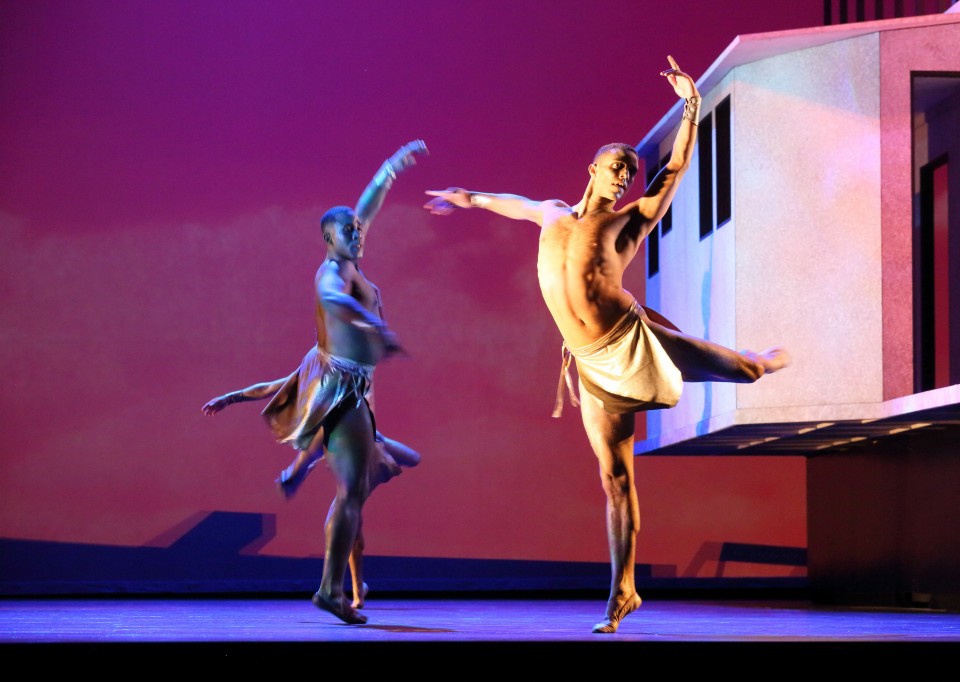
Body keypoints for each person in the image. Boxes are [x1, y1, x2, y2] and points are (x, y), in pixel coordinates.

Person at [423, 57, 790, 634]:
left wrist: (692, 108)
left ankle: (768, 357)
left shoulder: (630, 221)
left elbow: (673, 170)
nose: (624, 176)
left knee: (744, 372)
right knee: (615, 479)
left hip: (632, 342)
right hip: (593, 365)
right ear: (592, 168)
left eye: (628, 172)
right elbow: (503, 200)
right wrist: (463, 196)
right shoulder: (550, 216)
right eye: (617, 167)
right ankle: (624, 592)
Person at [209, 139, 427, 624]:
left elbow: (366, 207)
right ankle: (332, 589)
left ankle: (338, 586)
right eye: (347, 231)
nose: (357, 233)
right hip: (344, 394)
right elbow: (335, 302)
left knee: (353, 493)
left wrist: (389, 167)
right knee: (350, 494)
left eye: (357, 229)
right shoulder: (331, 272)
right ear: (328, 239)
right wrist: (375, 327)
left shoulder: (350, 257)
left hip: (353, 392)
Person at [202, 376, 420, 609]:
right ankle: (358, 591)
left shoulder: (346, 376)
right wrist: (228, 398)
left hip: (367, 448)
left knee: (405, 463)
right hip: (347, 452)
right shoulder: (314, 374)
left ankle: (358, 589)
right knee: (347, 516)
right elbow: (268, 388)